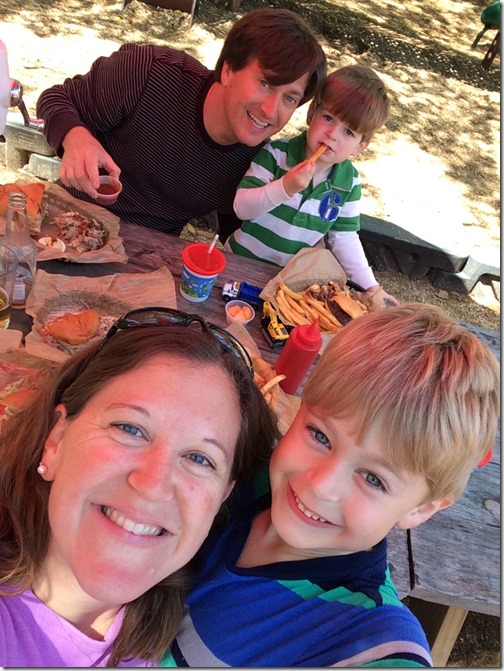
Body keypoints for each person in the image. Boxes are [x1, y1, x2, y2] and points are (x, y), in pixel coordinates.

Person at [161, 303, 500, 667]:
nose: (321, 485)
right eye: (320, 435)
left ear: (423, 507)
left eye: (373, 478)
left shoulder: (368, 641)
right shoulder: (242, 469)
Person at [0, 308, 279, 667]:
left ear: (221, 499)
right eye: (129, 428)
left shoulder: (188, 640)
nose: (153, 486)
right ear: (56, 441)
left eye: (200, 459)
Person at [36, 9, 327, 243]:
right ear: (228, 69)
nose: (271, 110)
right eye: (265, 83)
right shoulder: (148, 72)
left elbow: (240, 236)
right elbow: (55, 99)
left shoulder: (257, 164)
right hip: (62, 223)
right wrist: (75, 137)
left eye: (289, 98)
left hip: (146, 257)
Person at [227, 65, 397, 306]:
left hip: (288, 283)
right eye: (328, 118)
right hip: (237, 263)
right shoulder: (277, 153)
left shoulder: (348, 183)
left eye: (348, 132)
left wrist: (371, 287)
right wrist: (285, 187)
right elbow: (242, 208)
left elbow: (344, 237)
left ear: (360, 146)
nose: (332, 134)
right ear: (311, 114)